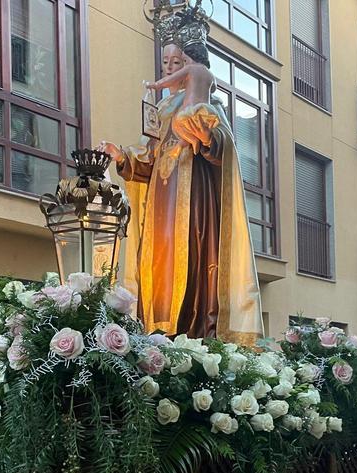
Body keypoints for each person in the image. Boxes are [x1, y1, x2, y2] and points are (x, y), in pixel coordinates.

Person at [98, 6, 263, 344]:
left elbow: (218, 146)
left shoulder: (209, 105)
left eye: (179, 63)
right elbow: (148, 160)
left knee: (194, 263)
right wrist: (123, 157)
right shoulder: (160, 110)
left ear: (194, 64)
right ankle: (157, 331)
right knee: (159, 269)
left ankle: (195, 333)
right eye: (166, 64)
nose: (171, 70)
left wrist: (203, 121)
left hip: (196, 202)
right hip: (162, 207)